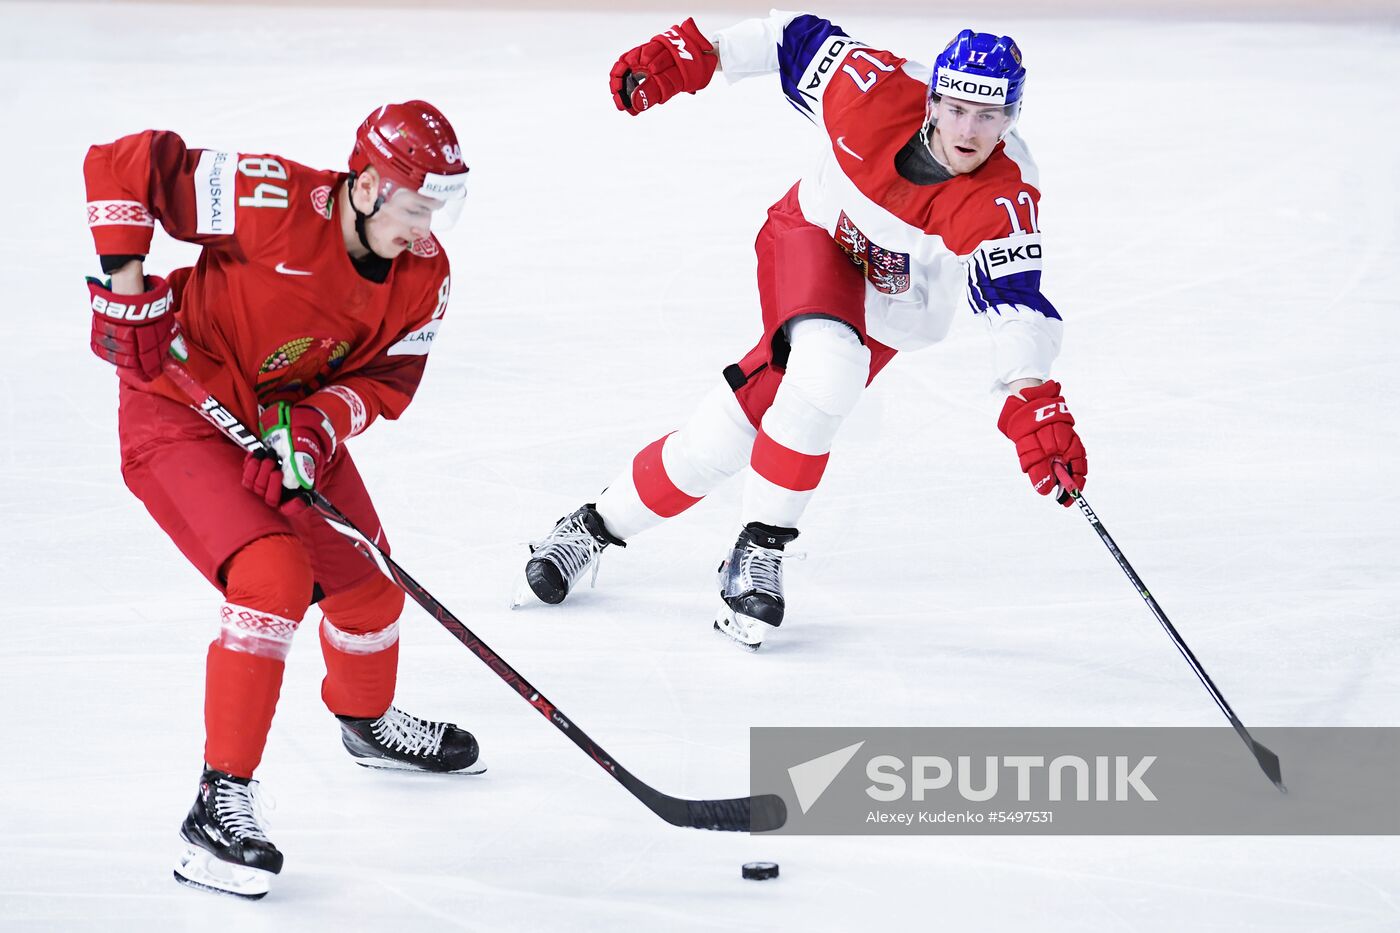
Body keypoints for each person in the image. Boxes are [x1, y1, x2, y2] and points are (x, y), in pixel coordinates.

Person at [522, 14, 1088, 651]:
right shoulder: (867, 87)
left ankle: (593, 525)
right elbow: (789, 37)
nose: (968, 129)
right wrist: (694, 55)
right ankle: (759, 552)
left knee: (728, 436)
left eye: (988, 116)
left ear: (1012, 117)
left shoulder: (1005, 196)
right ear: (932, 96)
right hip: (812, 239)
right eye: (957, 107)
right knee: (829, 369)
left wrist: (1032, 393)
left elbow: (1014, 299)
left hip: (887, 304)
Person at [84, 101, 480, 900]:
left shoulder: (426, 276)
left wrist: (316, 429)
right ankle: (216, 803)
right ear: (366, 187)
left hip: (285, 420)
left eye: (436, 207)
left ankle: (367, 724)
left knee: (369, 588)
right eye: (414, 205)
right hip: (180, 413)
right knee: (272, 579)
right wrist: (126, 288)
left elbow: (387, 383)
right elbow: (120, 163)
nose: (426, 225)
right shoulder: (265, 198)